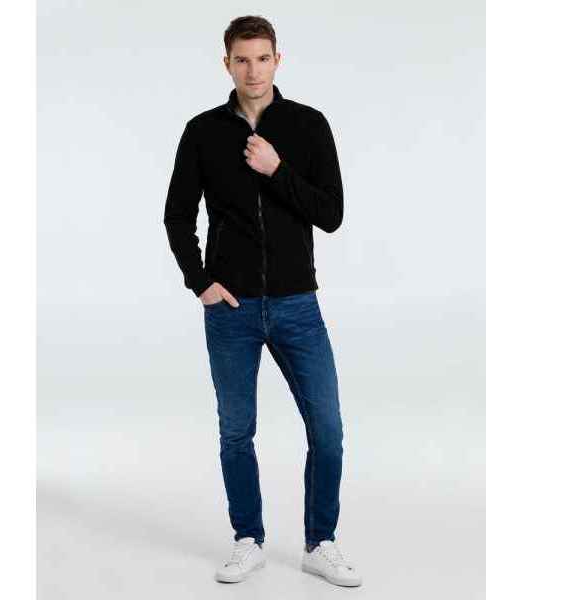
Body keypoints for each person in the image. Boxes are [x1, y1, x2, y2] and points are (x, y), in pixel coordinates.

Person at [163, 15, 362, 588]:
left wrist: (277, 171)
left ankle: (320, 543)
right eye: (242, 59)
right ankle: (247, 539)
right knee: (236, 431)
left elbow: (331, 213)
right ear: (227, 63)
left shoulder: (308, 125)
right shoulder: (202, 131)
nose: (253, 70)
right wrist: (200, 281)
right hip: (232, 308)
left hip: (298, 304)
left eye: (263, 58)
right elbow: (177, 215)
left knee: (328, 428)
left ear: (279, 60)